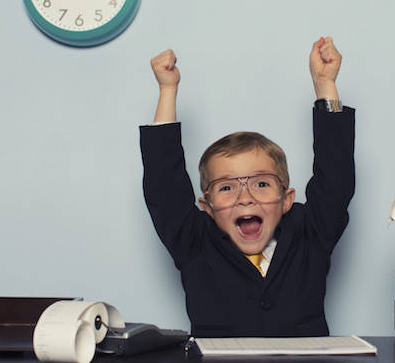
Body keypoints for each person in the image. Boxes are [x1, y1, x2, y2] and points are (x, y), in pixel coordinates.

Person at [139, 37, 355, 337]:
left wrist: (325, 85)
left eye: (262, 183)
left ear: (286, 199)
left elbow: (336, 177)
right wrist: (167, 90)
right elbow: (164, 185)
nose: (245, 197)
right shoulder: (195, 241)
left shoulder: (311, 232)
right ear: (207, 206)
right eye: (227, 188)